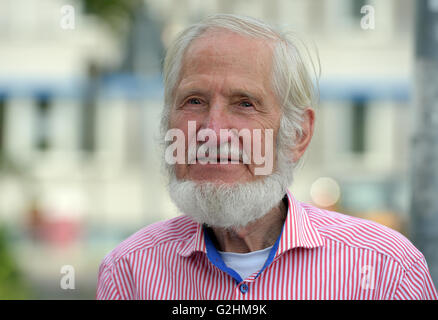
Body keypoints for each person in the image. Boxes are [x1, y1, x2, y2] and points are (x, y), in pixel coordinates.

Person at [96, 14, 438, 300]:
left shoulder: (386, 270)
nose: (213, 131)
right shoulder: (130, 272)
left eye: (245, 103)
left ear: (297, 134)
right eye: (194, 101)